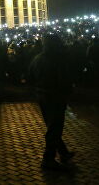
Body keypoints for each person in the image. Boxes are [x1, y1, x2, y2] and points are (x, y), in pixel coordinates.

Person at [29, 34, 75, 171]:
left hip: (42, 96)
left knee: (52, 126)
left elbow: (30, 75)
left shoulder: (37, 59)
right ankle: (48, 159)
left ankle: (63, 153)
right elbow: (64, 79)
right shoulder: (57, 60)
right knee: (54, 128)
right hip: (56, 97)